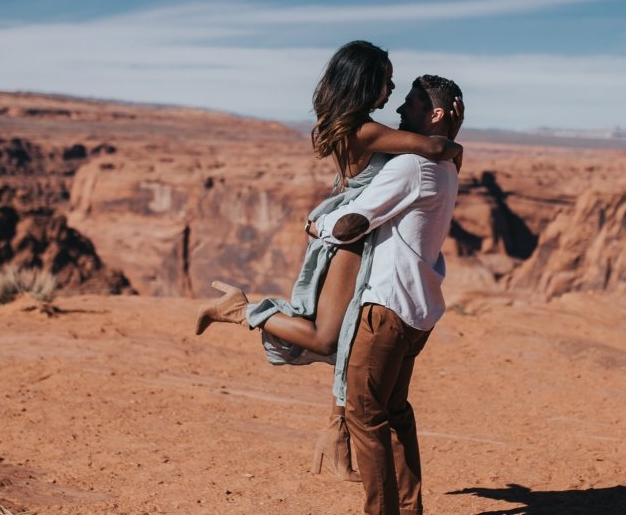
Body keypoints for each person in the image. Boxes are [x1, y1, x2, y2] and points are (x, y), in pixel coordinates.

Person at [193, 41, 463, 481]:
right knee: (327, 339)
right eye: (387, 80)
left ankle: (338, 433)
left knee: (345, 340)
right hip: (350, 238)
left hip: (356, 232)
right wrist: (454, 141)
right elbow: (433, 149)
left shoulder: (345, 126)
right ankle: (241, 310)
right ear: (366, 83)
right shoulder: (367, 132)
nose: (392, 90)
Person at [311, 74, 462, 515]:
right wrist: (448, 135)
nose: (398, 110)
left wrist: (316, 225)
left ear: (434, 114)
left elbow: (350, 225)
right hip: (420, 310)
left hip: (387, 309)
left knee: (364, 415)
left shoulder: (411, 164)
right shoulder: (448, 163)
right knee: (394, 413)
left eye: (411, 104)